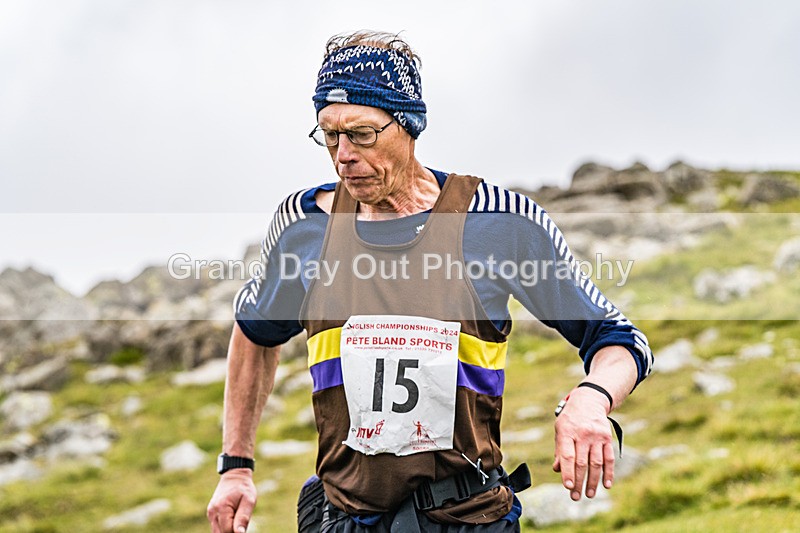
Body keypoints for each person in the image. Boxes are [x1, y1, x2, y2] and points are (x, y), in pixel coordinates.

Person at [207, 31, 653, 533]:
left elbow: (619, 339)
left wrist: (592, 398)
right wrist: (236, 466)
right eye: (329, 134)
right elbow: (254, 332)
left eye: (362, 133)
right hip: (342, 520)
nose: (343, 154)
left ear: (409, 125)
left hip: (464, 519)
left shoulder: (499, 222)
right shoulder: (304, 227)